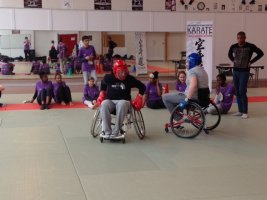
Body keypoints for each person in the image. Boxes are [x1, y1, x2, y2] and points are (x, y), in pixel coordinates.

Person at [96, 60, 146, 138]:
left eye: (124, 72)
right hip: (111, 101)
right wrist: (102, 93)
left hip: (124, 102)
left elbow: (142, 87)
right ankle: (107, 131)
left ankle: (116, 131)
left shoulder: (129, 79)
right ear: (115, 71)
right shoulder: (108, 78)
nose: (123, 74)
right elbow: (103, 84)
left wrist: (139, 97)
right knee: (104, 104)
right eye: (120, 72)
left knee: (121, 103)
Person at [228, 31, 264, 119]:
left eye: (242, 38)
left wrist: (251, 61)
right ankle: (240, 111)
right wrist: (233, 60)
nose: (240, 39)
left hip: (244, 71)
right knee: (237, 91)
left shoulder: (250, 46)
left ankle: (245, 111)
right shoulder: (233, 46)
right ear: (237, 38)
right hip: (235, 70)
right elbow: (229, 54)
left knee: (242, 90)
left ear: (245, 38)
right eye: (238, 38)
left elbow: (261, 53)